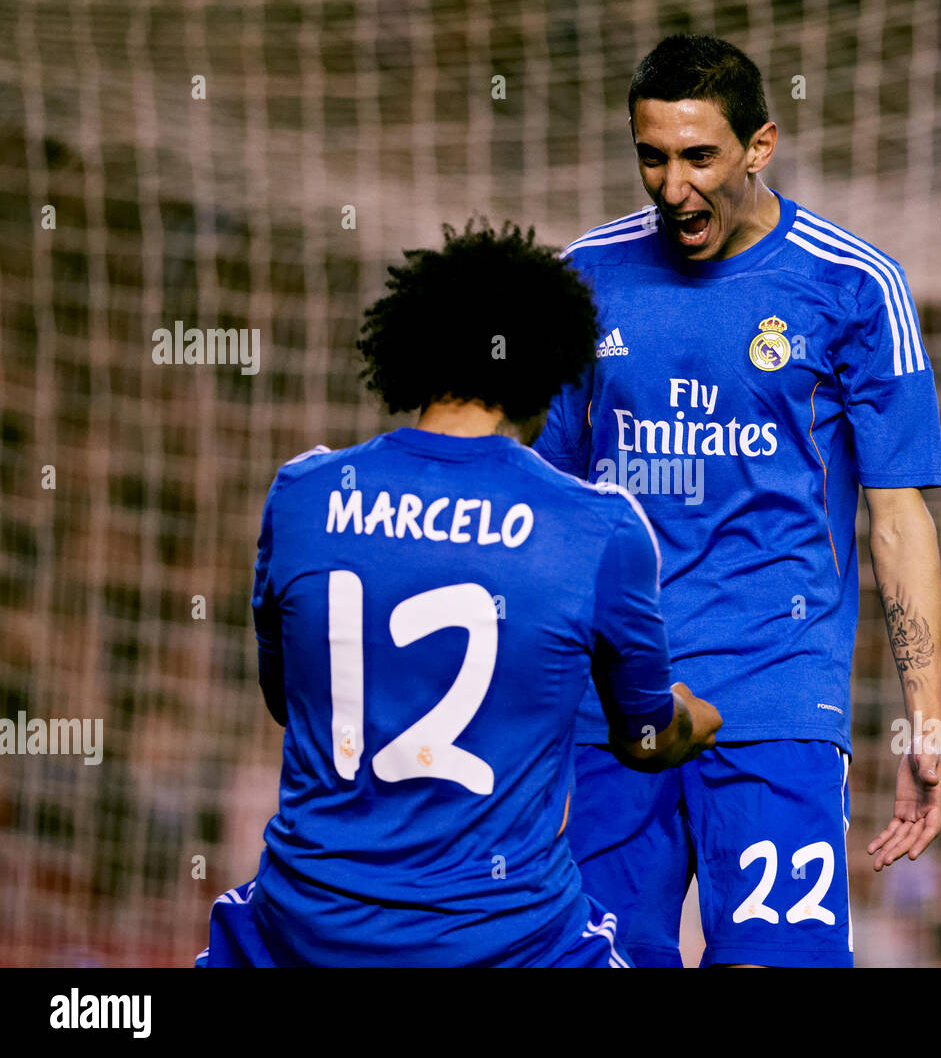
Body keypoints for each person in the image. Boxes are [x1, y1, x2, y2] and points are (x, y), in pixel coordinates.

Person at [196, 221, 721, 968]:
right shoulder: (597, 527)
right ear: (552, 367)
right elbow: (643, 740)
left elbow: (286, 701)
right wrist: (690, 719)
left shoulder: (304, 494)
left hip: (302, 932)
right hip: (507, 943)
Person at [533, 34, 941, 968]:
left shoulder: (854, 286)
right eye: (652, 156)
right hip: (617, 712)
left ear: (760, 145)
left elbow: (899, 515)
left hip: (776, 696)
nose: (673, 187)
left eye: (698, 157)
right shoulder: (585, 279)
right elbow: (547, 506)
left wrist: (925, 714)